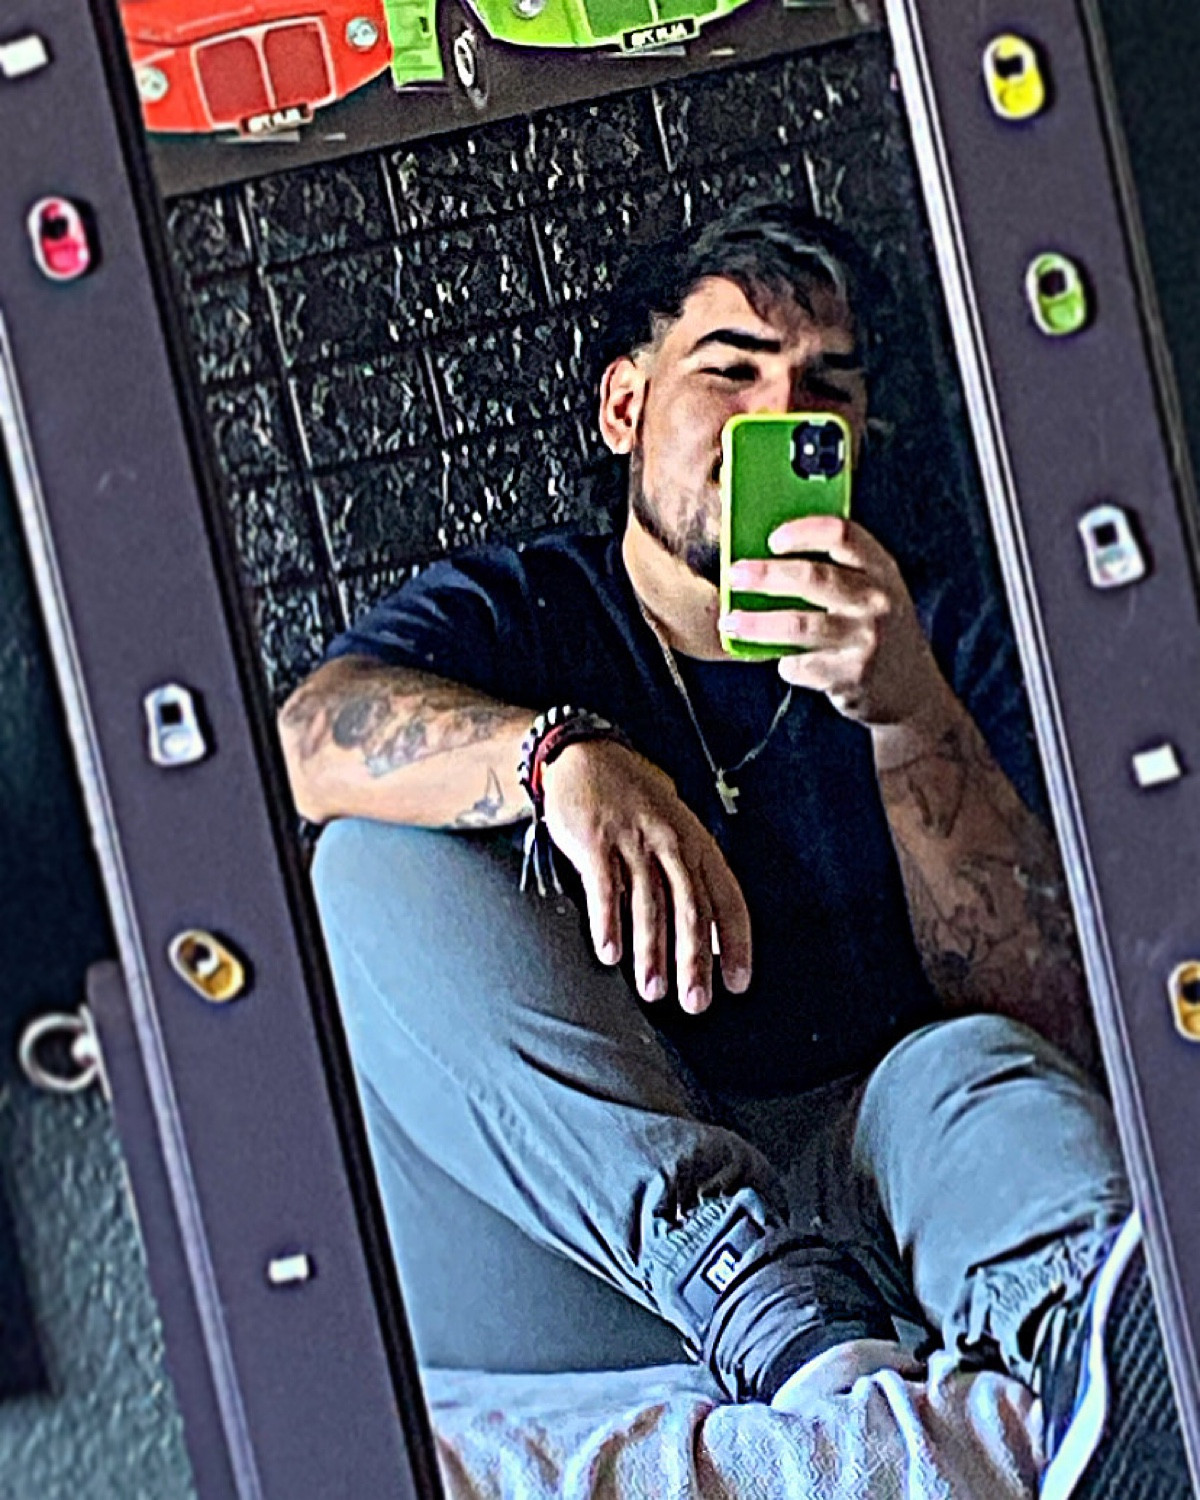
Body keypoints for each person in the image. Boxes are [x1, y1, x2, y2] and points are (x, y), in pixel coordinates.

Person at [278, 203, 1190, 1497]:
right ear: (625, 406)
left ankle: (1117, 1361)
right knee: (371, 864)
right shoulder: (526, 607)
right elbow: (306, 737)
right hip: (602, 1245)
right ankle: (761, 1292)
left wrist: (910, 720)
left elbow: (1051, 1020)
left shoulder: (936, 633)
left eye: (827, 387)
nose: (780, 413)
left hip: (876, 1192)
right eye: (732, 369)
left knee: (973, 1069)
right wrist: (555, 759)